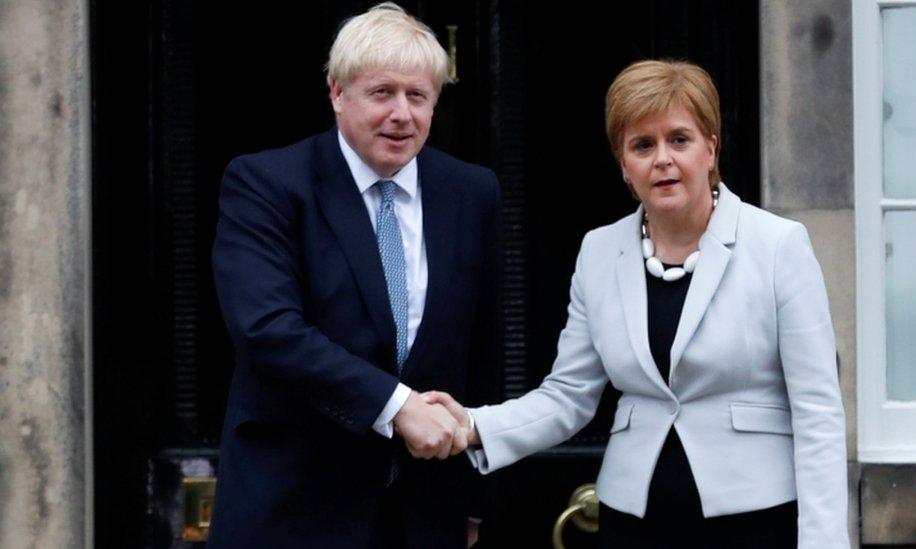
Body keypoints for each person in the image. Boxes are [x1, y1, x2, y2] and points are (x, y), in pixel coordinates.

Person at [426, 60, 849, 548]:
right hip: (634, 523)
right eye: (642, 145)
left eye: (680, 139)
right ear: (624, 165)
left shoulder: (779, 245)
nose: (663, 159)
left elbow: (817, 410)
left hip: (756, 521)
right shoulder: (600, 251)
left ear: (711, 149)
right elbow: (568, 396)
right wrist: (473, 423)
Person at [208, 4, 500, 548]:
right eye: (381, 93)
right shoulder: (267, 184)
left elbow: (480, 351)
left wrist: (473, 498)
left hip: (423, 510)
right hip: (294, 506)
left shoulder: (471, 192)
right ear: (337, 94)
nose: (401, 114)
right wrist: (398, 406)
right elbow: (267, 328)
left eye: (417, 96)